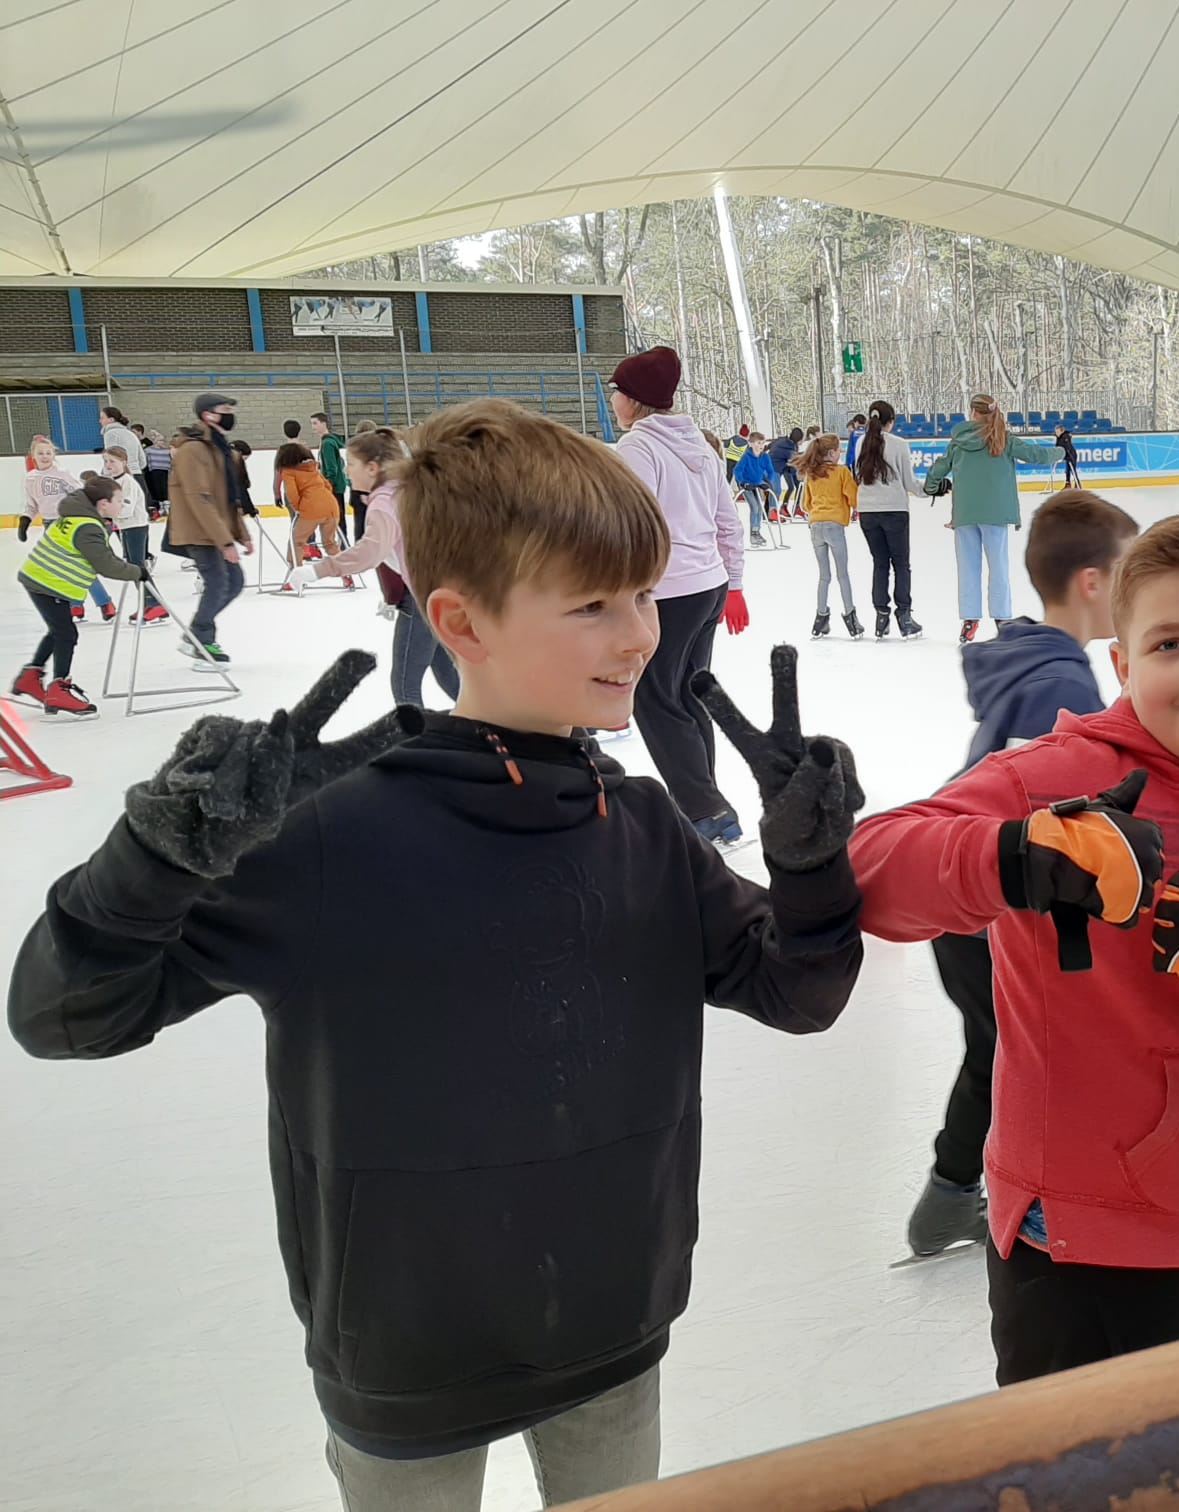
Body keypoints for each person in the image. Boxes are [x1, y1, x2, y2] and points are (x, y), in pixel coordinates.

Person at [7, 398, 868, 1512]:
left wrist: (810, 868)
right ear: (460, 621)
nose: (639, 636)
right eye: (593, 604)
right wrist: (153, 861)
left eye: (645, 595)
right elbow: (65, 1016)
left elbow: (800, 992)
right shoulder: (324, 836)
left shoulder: (643, 828)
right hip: (404, 1351)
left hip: (612, 1329)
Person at [852, 512, 1179, 1384]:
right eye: (1170, 643)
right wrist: (1017, 857)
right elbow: (871, 871)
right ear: (1124, 665)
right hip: (1080, 1249)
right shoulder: (1054, 780)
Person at [903, 489, 1139, 1259]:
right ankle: (982, 1198)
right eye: (1130, 572)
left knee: (998, 1052)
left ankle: (951, 1200)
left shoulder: (1039, 660)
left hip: (974, 905)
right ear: (1094, 583)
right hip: (986, 912)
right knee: (1013, 1055)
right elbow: (1052, 820)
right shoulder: (1059, 688)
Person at [608, 346, 751, 849]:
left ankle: (704, 808)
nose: (612, 400)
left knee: (655, 698)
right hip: (707, 586)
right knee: (687, 695)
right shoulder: (701, 447)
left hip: (667, 591)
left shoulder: (638, 448)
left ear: (634, 399)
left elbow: (631, 526)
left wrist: (619, 591)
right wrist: (734, 585)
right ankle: (707, 803)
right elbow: (728, 521)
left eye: (616, 391)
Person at [293, 428, 462, 709]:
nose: (346, 471)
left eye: (351, 463)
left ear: (372, 468)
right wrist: (391, 595)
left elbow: (369, 553)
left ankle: (418, 735)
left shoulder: (384, 503)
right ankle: (491, 722)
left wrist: (317, 571)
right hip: (437, 592)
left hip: (423, 599)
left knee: (405, 684)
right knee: (444, 670)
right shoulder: (400, 491)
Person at [926, 394, 1063, 645]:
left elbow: (939, 469)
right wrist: (1061, 451)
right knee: (998, 566)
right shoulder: (1004, 439)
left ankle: (970, 619)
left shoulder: (958, 441)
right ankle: (1002, 618)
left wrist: (932, 487)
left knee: (968, 568)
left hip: (965, 514)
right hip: (996, 513)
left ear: (973, 413)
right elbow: (1037, 455)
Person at [9, 475, 146, 717]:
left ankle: (30, 677)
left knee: (58, 630)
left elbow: (106, 556)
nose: (122, 505)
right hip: (48, 584)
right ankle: (58, 688)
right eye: (119, 501)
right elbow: (105, 565)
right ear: (103, 504)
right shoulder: (87, 527)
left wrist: (130, 568)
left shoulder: (79, 518)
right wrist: (137, 572)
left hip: (42, 580)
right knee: (66, 634)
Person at [167, 392, 252, 666]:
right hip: (198, 530)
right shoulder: (193, 450)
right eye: (224, 409)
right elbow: (199, 497)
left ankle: (196, 634)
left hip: (216, 529)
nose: (230, 414)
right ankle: (202, 640)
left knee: (234, 582)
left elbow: (229, 497)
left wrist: (241, 535)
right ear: (208, 415)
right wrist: (225, 542)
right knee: (217, 583)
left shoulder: (220, 448)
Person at [20, 436, 116, 620]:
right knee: (63, 567)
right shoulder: (30, 479)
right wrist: (25, 521)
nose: (45, 456)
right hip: (50, 526)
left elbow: (80, 494)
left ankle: (103, 602)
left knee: (79, 564)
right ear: (33, 455)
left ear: (54, 455)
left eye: (48, 453)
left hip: (69, 522)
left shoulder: (62, 474)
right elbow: (31, 505)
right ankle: (76, 604)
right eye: (40, 453)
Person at [854, 399, 925, 638]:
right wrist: (930, 489)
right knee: (901, 564)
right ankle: (904, 616)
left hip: (868, 512)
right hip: (894, 510)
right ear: (891, 421)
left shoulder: (861, 443)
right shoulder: (899, 444)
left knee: (880, 563)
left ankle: (881, 616)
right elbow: (910, 483)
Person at [798, 432, 863, 639]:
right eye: (838, 451)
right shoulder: (842, 472)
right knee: (842, 574)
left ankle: (820, 618)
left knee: (824, 576)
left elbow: (805, 504)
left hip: (816, 526)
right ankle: (851, 619)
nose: (840, 454)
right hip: (835, 527)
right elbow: (854, 498)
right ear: (831, 453)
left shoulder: (811, 474)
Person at [97, 445, 167, 625]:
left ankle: (154, 604)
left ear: (124, 462)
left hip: (136, 527)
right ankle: (149, 603)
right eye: (106, 461)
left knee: (136, 566)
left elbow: (126, 509)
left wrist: (106, 513)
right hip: (125, 527)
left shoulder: (127, 482)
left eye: (112, 461)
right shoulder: (114, 482)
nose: (108, 465)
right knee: (132, 566)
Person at [272, 442, 352, 587]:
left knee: (297, 541)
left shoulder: (288, 472)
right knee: (330, 543)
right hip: (331, 506)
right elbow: (327, 486)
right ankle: (345, 574)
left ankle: (296, 577)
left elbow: (292, 493)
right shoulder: (312, 468)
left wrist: (299, 508)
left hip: (311, 509)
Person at [312, 413, 358, 541]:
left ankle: (342, 542)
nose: (313, 427)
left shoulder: (328, 443)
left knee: (336, 517)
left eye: (315, 423)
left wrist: (327, 486)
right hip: (337, 485)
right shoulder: (329, 442)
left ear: (324, 424)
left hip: (333, 486)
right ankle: (342, 542)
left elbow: (332, 469)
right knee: (338, 517)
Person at [732, 431, 780, 542]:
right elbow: (737, 470)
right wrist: (743, 482)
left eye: (763, 443)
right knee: (755, 507)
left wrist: (767, 481)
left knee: (760, 508)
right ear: (751, 444)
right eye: (758, 443)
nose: (761, 446)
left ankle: (757, 532)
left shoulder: (765, 457)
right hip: (746, 484)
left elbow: (770, 471)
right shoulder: (746, 457)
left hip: (757, 483)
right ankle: (753, 534)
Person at [767, 426, 803, 515]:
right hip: (774, 468)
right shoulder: (790, 447)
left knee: (788, 487)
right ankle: (772, 511)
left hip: (778, 466)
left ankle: (777, 509)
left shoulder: (784, 441)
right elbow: (793, 461)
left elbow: (770, 446)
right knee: (777, 490)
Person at [99, 404, 143, 472]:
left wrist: (106, 473)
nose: (100, 421)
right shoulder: (131, 433)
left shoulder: (110, 434)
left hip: (122, 473)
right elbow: (142, 459)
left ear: (111, 419)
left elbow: (110, 456)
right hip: (137, 472)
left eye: (102, 418)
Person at [142, 430, 173, 517]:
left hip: (165, 471)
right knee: (157, 489)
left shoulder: (167, 450)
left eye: (163, 440)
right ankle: (161, 507)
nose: (162, 442)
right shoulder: (149, 450)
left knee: (164, 488)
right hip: (154, 471)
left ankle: (167, 507)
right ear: (156, 441)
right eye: (160, 440)